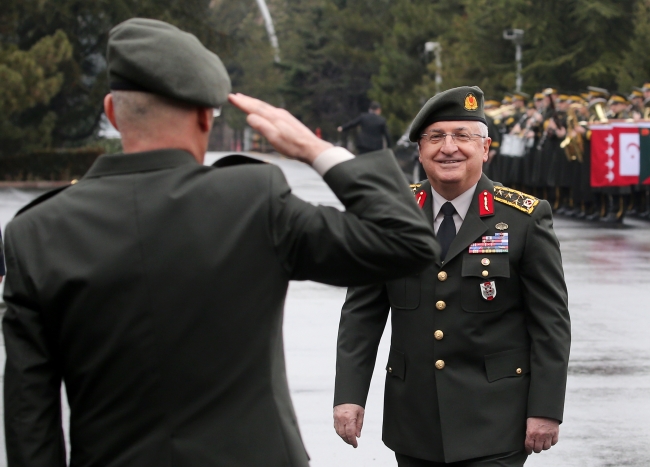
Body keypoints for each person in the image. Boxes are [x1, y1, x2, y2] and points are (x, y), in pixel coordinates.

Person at [2, 18, 440, 467]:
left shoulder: (35, 233)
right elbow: (407, 245)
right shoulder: (252, 200)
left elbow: (27, 420)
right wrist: (314, 149)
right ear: (204, 116)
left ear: (113, 113)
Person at [333, 86, 571, 467]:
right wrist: (348, 396)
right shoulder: (389, 215)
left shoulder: (525, 219)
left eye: (462, 136)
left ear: (485, 148)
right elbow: (361, 314)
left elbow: (550, 324)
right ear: (420, 150)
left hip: (496, 420)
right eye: (436, 137)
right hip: (414, 420)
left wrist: (546, 409)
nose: (448, 148)